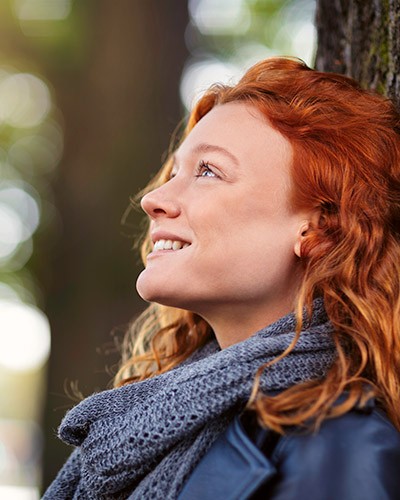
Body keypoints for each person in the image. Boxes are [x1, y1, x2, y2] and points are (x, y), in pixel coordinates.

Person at [43, 57, 400, 499]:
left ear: (317, 229)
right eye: (174, 172)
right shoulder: (151, 418)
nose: (153, 198)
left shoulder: (338, 449)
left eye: (208, 171)